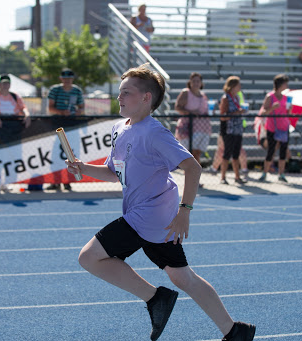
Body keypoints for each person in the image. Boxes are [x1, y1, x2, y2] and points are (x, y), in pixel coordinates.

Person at [65, 64, 255, 341]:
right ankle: (235, 331)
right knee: (182, 277)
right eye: (120, 92)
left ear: (146, 98)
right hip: (150, 217)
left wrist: (185, 212)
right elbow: (114, 172)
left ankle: (155, 298)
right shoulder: (119, 128)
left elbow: (193, 168)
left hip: (151, 214)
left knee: (89, 257)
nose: (119, 97)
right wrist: (83, 167)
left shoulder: (155, 133)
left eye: (126, 93)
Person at [0, 74, 31, 193]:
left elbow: (23, 107)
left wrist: (27, 114)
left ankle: (7, 182)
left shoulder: (15, 96)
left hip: (13, 129)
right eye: (3, 83)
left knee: (12, 157)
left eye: (7, 83)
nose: (5, 85)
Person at [47, 68, 85, 191]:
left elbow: (81, 107)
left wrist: (78, 112)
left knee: (71, 155)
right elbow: (50, 108)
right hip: (57, 126)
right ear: (61, 79)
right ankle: (56, 181)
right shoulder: (54, 90)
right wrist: (62, 112)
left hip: (72, 126)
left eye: (69, 79)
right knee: (55, 155)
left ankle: (68, 181)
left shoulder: (77, 91)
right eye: (65, 78)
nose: (67, 81)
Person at [258, 74, 292, 182]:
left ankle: (281, 174)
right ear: (280, 84)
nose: (286, 85)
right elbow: (263, 112)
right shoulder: (270, 97)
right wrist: (272, 108)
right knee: (271, 151)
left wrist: (290, 109)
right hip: (272, 127)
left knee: (283, 151)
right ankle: (265, 173)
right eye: (285, 83)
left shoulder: (287, 98)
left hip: (284, 127)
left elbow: (288, 114)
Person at [174, 72, 211, 166]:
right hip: (189, 127)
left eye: (198, 81)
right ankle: (191, 174)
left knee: (197, 153)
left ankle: (195, 175)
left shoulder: (203, 95)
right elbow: (178, 107)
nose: (196, 83)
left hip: (203, 127)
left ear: (201, 83)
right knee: (190, 153)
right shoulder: (186, 93)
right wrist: (191, 112)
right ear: (190, 82)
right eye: (193, 81)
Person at [218, 76, 247, 185]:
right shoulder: (226, 98)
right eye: (238, 85)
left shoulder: (237, 98)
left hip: (237, 129)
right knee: (227, 153)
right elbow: (222, 116)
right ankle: (223, 177)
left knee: (236, 153)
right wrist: (237, 113)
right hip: (229, 129)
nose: (240, 87)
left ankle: (237, 176)